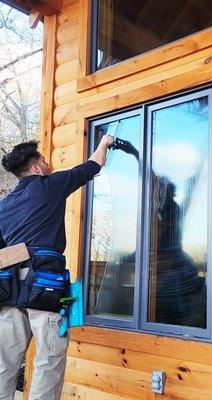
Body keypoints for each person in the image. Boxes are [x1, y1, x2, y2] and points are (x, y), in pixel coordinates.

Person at [0, 135, 113, 400]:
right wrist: (105, 142)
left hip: (8, 287)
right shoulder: (48, 185)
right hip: (44, 285)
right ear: (36, 168)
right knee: (48, 359)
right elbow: (92, 165)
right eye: (44, 161)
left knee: (4, 361)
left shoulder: (3, 205)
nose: (49, 165)